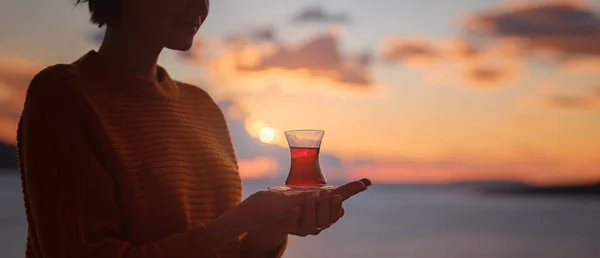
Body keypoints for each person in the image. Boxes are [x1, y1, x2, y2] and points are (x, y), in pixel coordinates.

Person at [16, 0, 372, 257]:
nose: (200, 6)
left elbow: (227, 250)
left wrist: (271, 228)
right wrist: (238, 220)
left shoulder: (202, 106)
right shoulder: (64, 96)